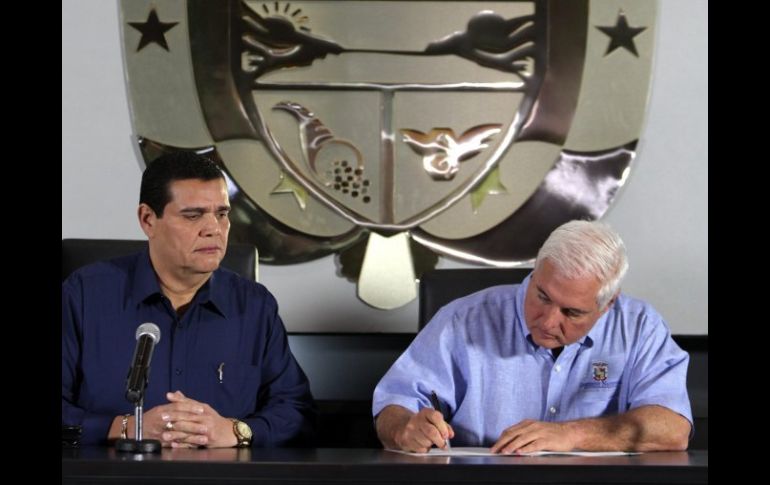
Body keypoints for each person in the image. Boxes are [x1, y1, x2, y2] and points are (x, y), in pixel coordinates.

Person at [62, 151, 316, 448]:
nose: (213, 229)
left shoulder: (254, 306)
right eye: (193, 215)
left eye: (222, 214)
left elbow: (296, 411)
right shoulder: (84, 295)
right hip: (111, 471)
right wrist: (127, 427)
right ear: (148, 219)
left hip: (220, 472)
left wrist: (235, 431)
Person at [373, 220, 692, 453]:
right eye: (542, 296)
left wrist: (572, 435)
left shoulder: (639, 327)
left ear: (607, 305)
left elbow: (672, 429)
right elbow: (394, 404)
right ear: (536, 268)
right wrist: (404, 429)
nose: (548, 321)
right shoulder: (462, 320)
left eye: (572, 312)